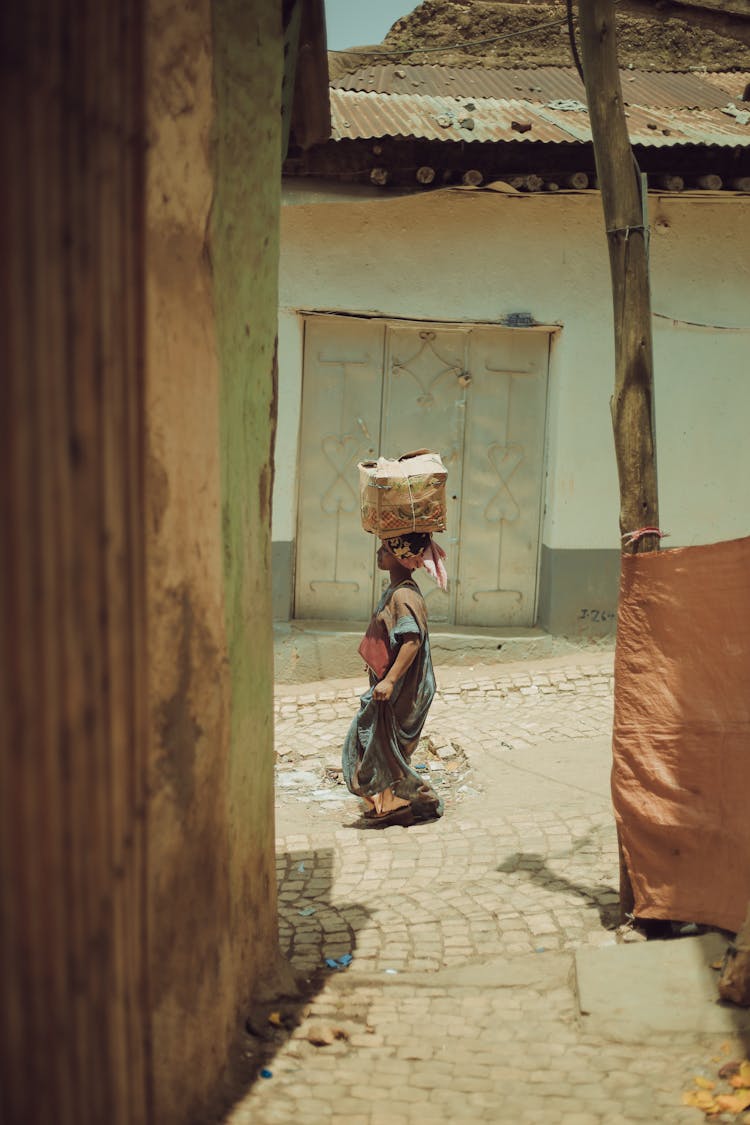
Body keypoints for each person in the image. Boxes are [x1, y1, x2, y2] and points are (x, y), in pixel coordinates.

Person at [342, 531, 448, 827]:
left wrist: (389, 681)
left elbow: (411, 641)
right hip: (391, 686)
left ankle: (414, 800)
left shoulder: (403, 595)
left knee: (379, 746)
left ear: (399, 558)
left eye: (385, 549)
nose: (379, 554)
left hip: (403, 690)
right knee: (380, 747)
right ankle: (389, 804)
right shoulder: (397, 590)